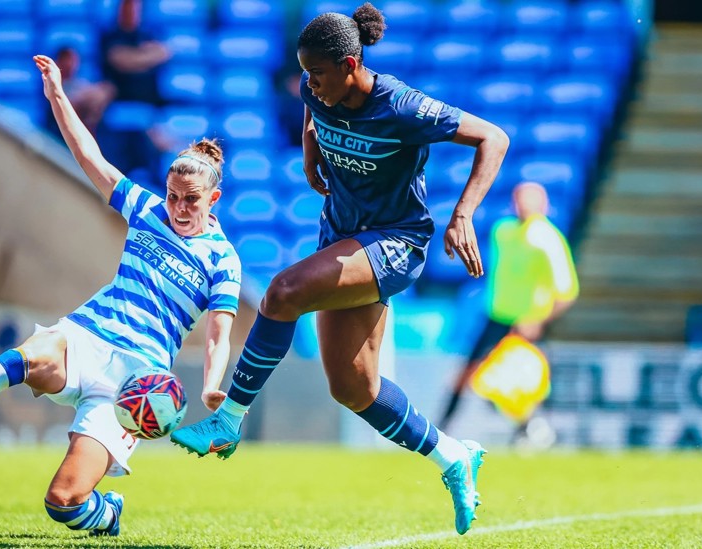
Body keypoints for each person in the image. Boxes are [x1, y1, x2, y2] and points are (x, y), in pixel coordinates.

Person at [0, 54, 242, 538]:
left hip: (136, 380)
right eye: (173, 195)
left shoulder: (223, 259)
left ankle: (106, 512)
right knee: (24, 357)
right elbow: (88, 157)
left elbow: (218, 335)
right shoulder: (146, 209)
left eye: (191, 200)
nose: (179, 208)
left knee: (63, 502)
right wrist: (58, 94)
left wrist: (210, 386)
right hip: (85, 334)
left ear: (214, 200)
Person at [170, 3, 509, 536]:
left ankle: (228, 421)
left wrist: (462, 214)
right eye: (305, 74)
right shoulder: (314, 90)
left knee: (281, 293)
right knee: (353, 388)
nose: (309, 84)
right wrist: (309, 150)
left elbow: (494, 137)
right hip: (344, 236)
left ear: (351, 65)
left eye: (320, 74)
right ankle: (453, 457)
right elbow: (313, 110)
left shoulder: (402, 105)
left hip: (397, 241)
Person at [438, 182, 579, 436]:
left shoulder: (548, 240)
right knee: (468, 374)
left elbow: (567, 291)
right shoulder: (502, 231)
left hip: (526, 324)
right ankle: (442, 427)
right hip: (496, 316)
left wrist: (538, 320)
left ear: (543, 204)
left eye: (529, 199)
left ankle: (534, 430)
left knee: (530, 380)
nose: (522, 205)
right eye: (519, 199)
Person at [99, 0, 171, 105]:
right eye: (127, 8)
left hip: (150, 96)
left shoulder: (148, 33)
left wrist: (134, 57)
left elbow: (164, 52)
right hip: (119, 95)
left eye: (134, 8)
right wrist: (147, 56)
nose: (131, 11)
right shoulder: (110, 35)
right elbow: (121, 61)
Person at [48, 46, 116, 137]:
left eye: (73, 60)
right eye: (67, 59)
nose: (71, 64)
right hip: (57, 130)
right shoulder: (50, 83)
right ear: (58, 61)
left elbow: (107, 90)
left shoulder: (79, 83)